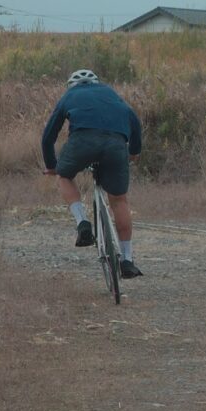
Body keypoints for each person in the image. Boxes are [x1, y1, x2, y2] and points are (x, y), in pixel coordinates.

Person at [41, 69, 145, 278]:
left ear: (71, 85)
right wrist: (133, 153)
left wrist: (53, 166)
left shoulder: (69, 96)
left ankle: (82, 222)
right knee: (119, 200)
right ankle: (127, 260)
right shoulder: (111, 93)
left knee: (64, 176)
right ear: (96, 83)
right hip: (116, 143)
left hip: (83, 140)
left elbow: (48, 137)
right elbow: (134, 121)